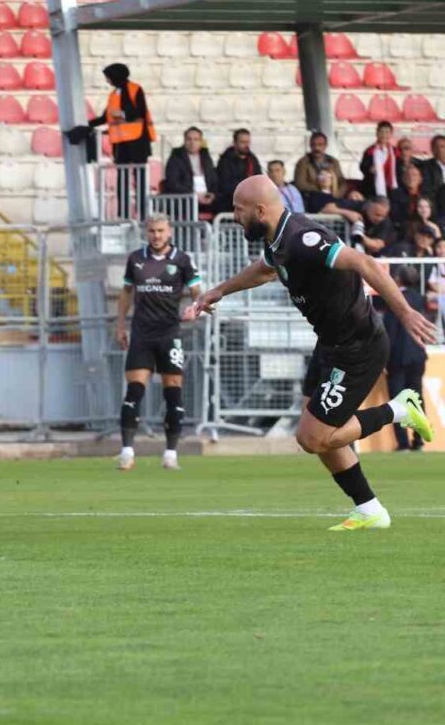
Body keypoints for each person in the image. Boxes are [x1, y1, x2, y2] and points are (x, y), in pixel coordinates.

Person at [184, 175, 437, 531]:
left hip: (358, 347)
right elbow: (265, 270)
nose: (236, 217)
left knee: (312, 437)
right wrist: (219, 291)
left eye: (239, 210)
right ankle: (370, 509)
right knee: (315, 429)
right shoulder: (278, 238)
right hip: (330, 343)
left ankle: (399, 410)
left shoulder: (305, 238)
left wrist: (406, 312)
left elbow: (365, 263)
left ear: (260, 210)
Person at [113, 214, 201, 471]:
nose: (156, 235)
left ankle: (170, 454)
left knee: (173, 392)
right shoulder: (135, 259)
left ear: (169, 232)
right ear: (146, 233)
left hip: (169, 334)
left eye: (161, 231)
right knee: (134, 391)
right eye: (152, 231)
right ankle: (127, 452)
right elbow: (126, 293)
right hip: (142, 335)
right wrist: (120, 325)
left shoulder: (182, 260)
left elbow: (197, 291)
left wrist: (195, 308)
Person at [89, 63, 155, 220]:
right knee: (122, 178)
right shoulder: (114, 94)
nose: (107, 80)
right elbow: (106, 117)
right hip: (121, 142)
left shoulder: (135, 89)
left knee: (140, 178)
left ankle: (142, 213)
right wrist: (88, 124)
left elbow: (140, 112)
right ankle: (123, 213)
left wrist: (123, 114)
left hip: (137, 140)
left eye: (108, 77)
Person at [379, 266, 429, 451]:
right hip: (417, 355)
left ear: (398, 279)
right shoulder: (419, 298)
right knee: (417, 398)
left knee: (397, 402)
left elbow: (390, 332)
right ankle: (419, 440)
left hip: (397, 357)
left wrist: (384, 359)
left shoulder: (394, 299)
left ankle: (403, 443)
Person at [163, 126, 218, 217]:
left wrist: (213, 194)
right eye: (189, 139)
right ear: (184, 141)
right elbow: (173, 183)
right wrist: (194, 195)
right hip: (186, 198)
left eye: (196, 139)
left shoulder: (206, 157)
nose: (192, 142)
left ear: (200, 142)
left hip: (206, 197)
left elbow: (214, 180)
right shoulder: (176, 157)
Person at [294, 131, 357, 200]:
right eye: (313, 145)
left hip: (334, 196)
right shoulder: (303, 163)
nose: (316, 148)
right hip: (313, 197)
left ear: (326, 145)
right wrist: (322, 190)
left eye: (320, 145)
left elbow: (342, 181)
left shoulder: (333, 161)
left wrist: (337, 194)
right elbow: (300, 184)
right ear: (310, 146)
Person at [215, 128, 262, 212]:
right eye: (242, 142)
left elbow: (259, 178)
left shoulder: (252, 160)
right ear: (235, 143)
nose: (246, 145)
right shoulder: (225, 160)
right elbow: (225, 185)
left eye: (248, 142)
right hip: (230, 204)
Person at [360, 121, 400, 199]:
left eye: (387, 132)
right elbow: (362, 166)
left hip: (391, 187)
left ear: (391, 134)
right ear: (377, 133)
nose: (384, 135)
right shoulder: (370, 151)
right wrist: (369, 169)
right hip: (372, 187)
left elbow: (399, 168)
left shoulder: (395, 152)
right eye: (381, 132)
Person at [389, 163, 426, 232]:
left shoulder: (427, 194)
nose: (411, 178)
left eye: (414, 175)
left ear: (420, 179)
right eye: (407, 175)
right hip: (403, 228)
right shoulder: (395, 194)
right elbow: (395, 215)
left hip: (424, 226)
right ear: (403, 179)